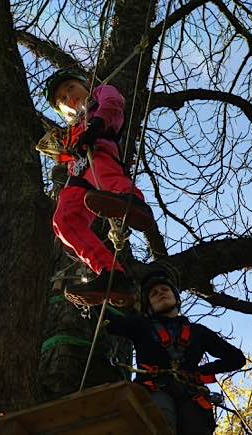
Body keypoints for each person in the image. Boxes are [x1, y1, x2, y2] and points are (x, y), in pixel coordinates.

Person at [42, 68, 162, 307]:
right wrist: (61, 152)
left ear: (84, 85)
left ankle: (133, 203)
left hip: (99, 148)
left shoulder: (100, 93)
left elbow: (114, 103)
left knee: (107, 179)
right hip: (77, 172)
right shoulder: (71, 128)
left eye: (71, 88)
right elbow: (65, 156)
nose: (69, 97)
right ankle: (110, 273)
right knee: (64, 220)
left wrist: (95, 125)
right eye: (62, 100)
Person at [104, 270, 246, 434]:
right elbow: (109, 322)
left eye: (165, 290)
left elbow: (236, 358)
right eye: (154, 294)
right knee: (159, 423)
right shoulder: (141, 326)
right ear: (148, 305)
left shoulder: (197, 332)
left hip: (190, 393)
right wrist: (99, 297)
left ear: (176, 297)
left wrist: (200, 372)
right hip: (154, 389)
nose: (160, 294)